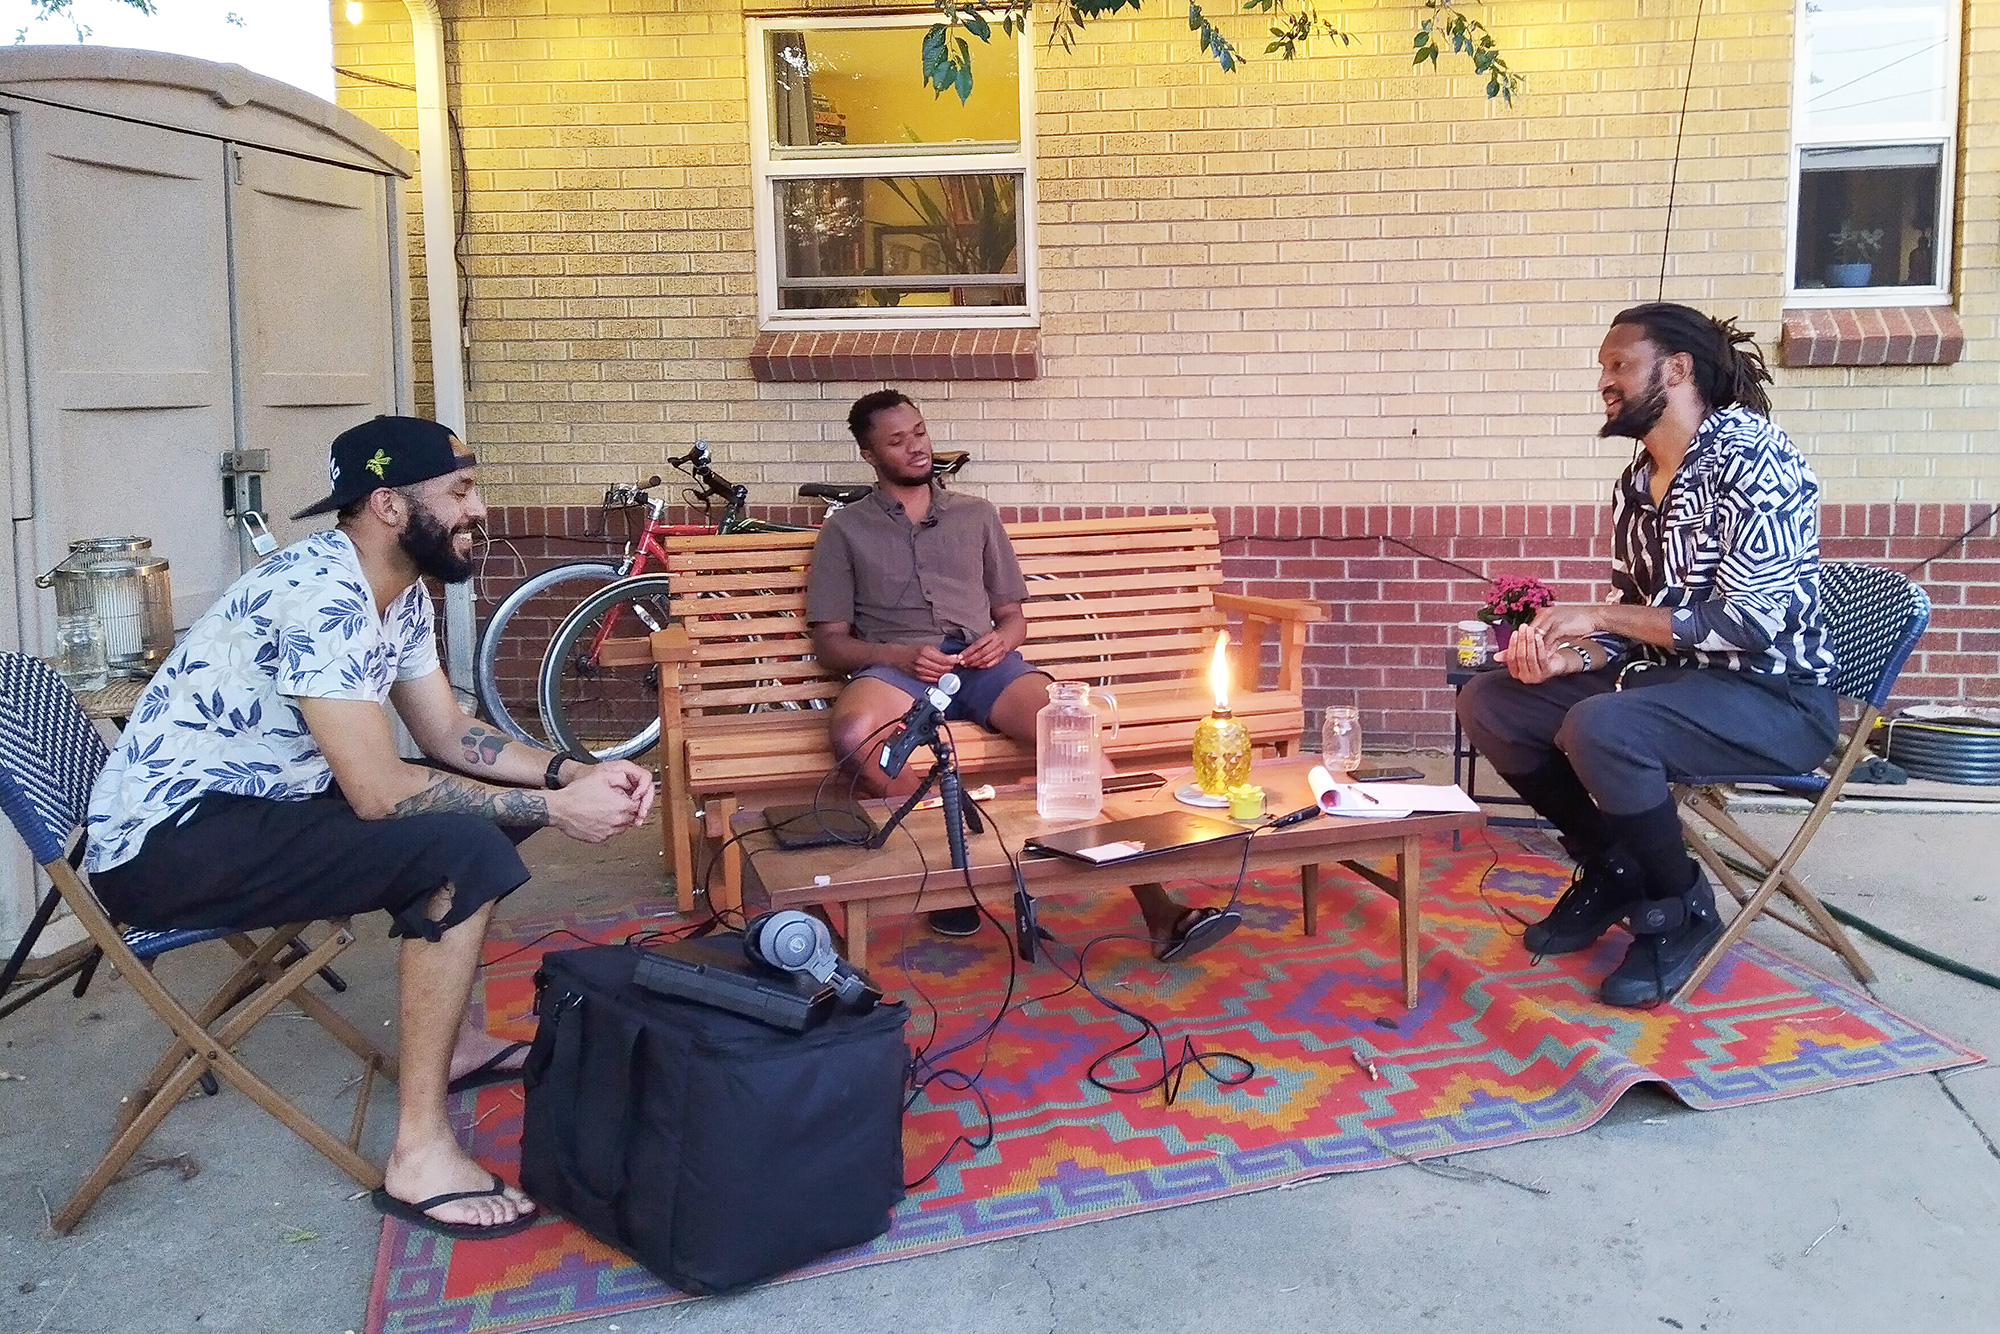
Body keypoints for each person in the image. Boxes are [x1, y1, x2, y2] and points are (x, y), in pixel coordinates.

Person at [84, 416, 654, 1239]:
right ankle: (419, 1155)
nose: (480, 508)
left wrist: (572, 771)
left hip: (259, 809)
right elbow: (381, 792)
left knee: (475, 815)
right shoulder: (322, 593)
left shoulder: (400, 590)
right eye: (459, 491)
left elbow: (449, 736)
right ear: (389, 504)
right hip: (168, 846)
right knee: (458, 841)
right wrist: (557, 808)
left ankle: (453, 1047)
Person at [1455, 303, 1838, 1007]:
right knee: (1494, 705)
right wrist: (1570, 658)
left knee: (1604, 726)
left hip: (1775, 698)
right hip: (1672, 682)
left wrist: (1598, 615)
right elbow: (1636, 616)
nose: (1604, 379)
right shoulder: (1637, 483)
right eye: (1603, 366)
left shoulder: (1756, 457)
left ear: (1678, 368)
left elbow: (1750, 621)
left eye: (1618, 364)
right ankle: (1614, 870)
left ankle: (1679, 907)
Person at [806, 389, 1238, 962]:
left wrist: (1001, 641)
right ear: (868, 454)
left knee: (1071, 731)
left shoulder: (975, 515)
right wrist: (896, 654)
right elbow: (831, 643)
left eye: (919, 432)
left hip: (985, 667)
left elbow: (1013, 618)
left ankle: (1161, 910)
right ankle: (952, 879)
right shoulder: (846, 531)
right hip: (899, 671)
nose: (916, 448)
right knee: (851, 736)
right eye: (897, 440)